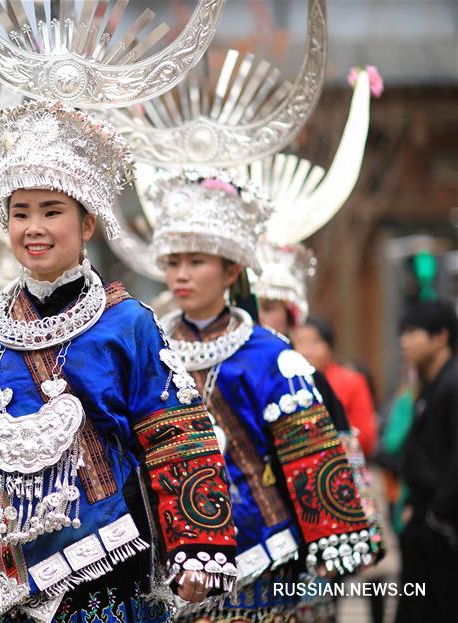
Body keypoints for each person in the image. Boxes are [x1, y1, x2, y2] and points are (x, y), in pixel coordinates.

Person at [0, 101, 237, 623]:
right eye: (20, 212)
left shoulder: (128, 324)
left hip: (107, 566)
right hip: (4, 579)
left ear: (87, 224)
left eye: (51, 210)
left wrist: (198, 544)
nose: (34, 227)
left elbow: (175, 437)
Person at [145, 169, 374, 621]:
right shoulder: (150, 347)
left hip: (263, 551)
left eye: (196, 261)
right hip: (169, 553)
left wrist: (333, 536)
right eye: (173, 263)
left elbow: (309, 451)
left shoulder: (270, 355)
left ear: (231, 269)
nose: (181, 275)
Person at [395, 300, 458, 623]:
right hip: (425, 523)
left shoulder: (452, 384)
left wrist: (437, 517)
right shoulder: (428, 386)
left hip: (442, 530)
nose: (404, 341)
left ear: (441, 336)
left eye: (412, 332)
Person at [292, 317, 379, 458]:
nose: (306, 351)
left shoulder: (351, 381)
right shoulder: (289, 384)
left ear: (330, 347)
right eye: (300, 342)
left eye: (315, 342)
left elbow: (366, 437)